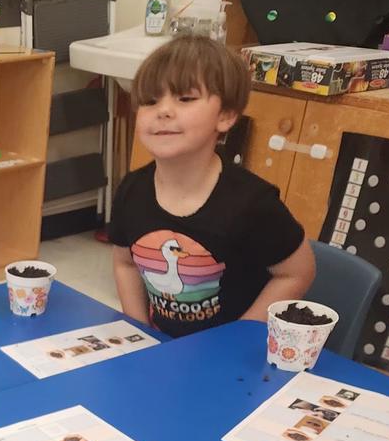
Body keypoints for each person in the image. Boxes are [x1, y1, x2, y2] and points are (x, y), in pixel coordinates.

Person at [110, 36, 314, 337]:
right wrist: (140, 333)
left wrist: (237, 338)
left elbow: (297, 272)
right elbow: (125, 263)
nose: (163, 110)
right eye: (150, 101)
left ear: (226, 115)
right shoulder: (130, 190)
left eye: (185, 98)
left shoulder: (253, 203)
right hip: (166, 351)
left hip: (234, 361)